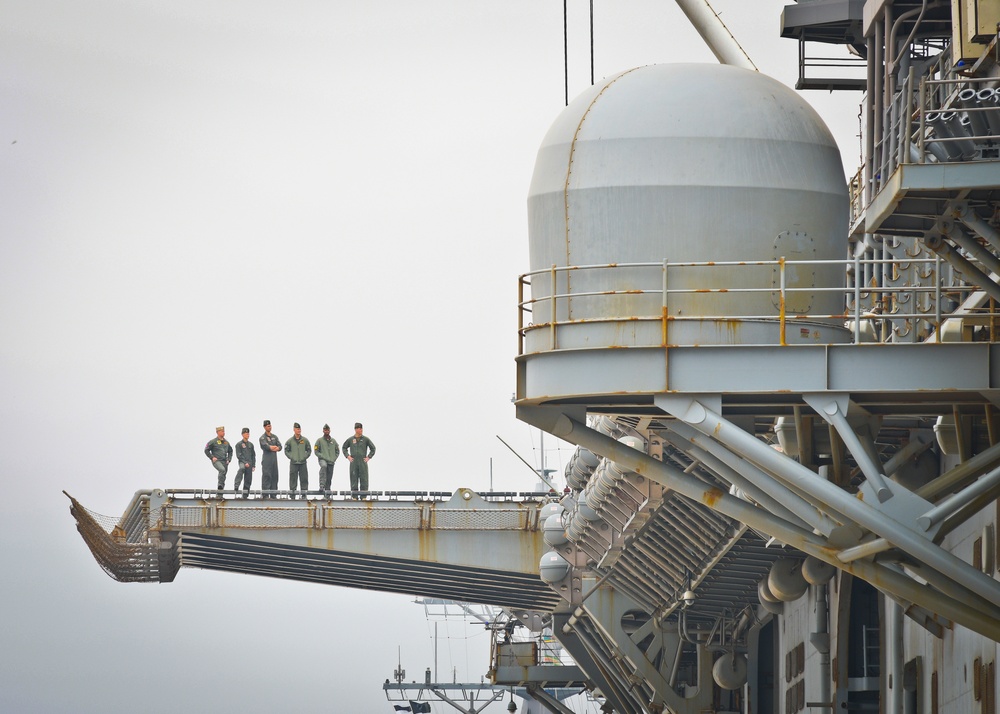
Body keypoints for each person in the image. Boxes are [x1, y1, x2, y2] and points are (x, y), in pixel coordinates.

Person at [342, 422, 376, 496]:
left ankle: (363, 496)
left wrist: (368, 457)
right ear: (356, 429)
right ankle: (354, 496)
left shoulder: (365, 439)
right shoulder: (351, 439)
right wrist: (348, 456)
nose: (361, 430)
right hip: (353, 462)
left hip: (362, 462)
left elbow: (373, 448)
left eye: (361, 429)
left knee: (364, 478)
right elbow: (344, 448)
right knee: (353, 478)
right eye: (360, 429)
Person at [284, 422, 311, 498]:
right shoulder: (290, 441)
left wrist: (304, 457)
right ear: (294, 429)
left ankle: (304, 495)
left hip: (303, 463)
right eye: (297, 429)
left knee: (304, 479)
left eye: (300, 429)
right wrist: (292, 457)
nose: (299, 430)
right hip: (294, 463)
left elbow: (309, 450)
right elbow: (286, 451)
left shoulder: (305, 440)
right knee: (293, 479)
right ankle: (292, 495)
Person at [204, 426, 233, 497]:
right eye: (222, 431)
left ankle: (220, 494)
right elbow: (206, 450)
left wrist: (229, 459)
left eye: (224, 431)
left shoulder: (226, 442)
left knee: (223, 476)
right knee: (222, 470)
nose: (223, 432)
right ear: (218, 432)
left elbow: (230, 451)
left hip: (224, 461)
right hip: (217, 461)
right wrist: (212, 457)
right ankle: (220, 486)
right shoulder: (213, 441)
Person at [314, 423, 340, 495]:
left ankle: (327, 492)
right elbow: (316, 451)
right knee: (324, 466)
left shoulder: (333, 441)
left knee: (329, 476)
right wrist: (322, 456)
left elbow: (337, 451)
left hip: (331, 461)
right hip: (323, 459)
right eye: (325, 430)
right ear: (323, 431)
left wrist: (334, 458)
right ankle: (322, 485)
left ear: (329, 431)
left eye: (327, 430)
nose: (326, 431)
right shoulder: (319, 440)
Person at [259, 420, 281, 498]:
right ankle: (265, 495)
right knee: (266, 476)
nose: (270, 427)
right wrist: (272, 447)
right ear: (264, 427)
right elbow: (266, 446)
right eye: (268, 426)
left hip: (274, 460)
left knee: (275, 476)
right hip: (267, 460)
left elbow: (280, 446)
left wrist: (274, 448)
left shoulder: (274, 437)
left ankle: (273, 495)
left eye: (270, 425)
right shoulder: (262, 437)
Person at [234, 427, 256, 497]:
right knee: (242, 469)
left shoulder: (251, 445)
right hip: (242, 462)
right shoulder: (239, 444)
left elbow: (253, 455)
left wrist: (253, 465)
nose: (248, 435)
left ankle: (245, 495)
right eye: (246, 434)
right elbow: (239, 455)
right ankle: (236, 485)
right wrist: (244, 462)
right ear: (242, 434)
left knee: (248, 479)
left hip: (250, 463)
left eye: (248, 434)